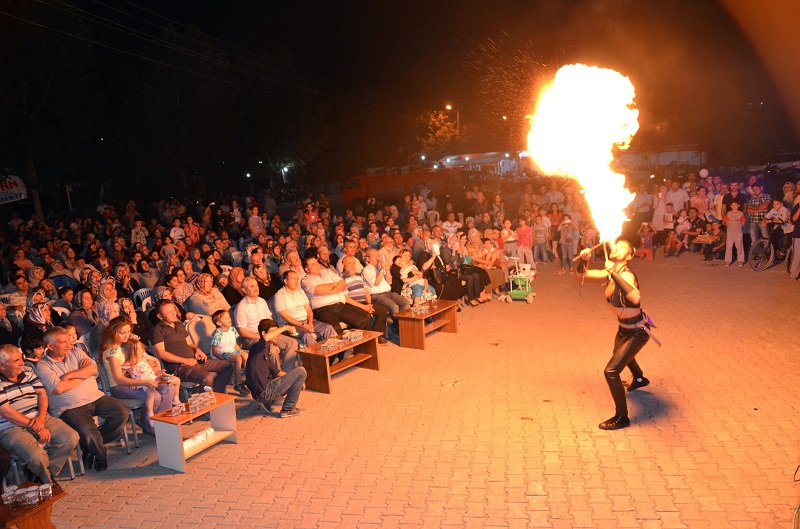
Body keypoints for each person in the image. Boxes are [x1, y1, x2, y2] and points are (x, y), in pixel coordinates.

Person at [578, 239, 652, 430]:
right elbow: (582, 275)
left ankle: (622, 417)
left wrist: (612, 272)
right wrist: (584, 260)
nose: (616, 248)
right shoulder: (611, 272)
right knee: (620, 354)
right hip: (623, 329)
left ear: (628, 257)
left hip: (637, 331)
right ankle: (639, 378)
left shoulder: (625, 275)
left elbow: (635, 297)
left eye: (622, 248)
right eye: (616, 245)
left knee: (611, 371)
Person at [36, 326, 129, 472]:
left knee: (122, 413)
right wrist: (82, 374)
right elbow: (59, 388)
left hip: (95, 397)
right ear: (50, 346)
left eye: (69, 340)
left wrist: (68, 376)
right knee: (89, 432)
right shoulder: (42, 366)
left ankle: (90, 446)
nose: (69, 344)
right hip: (69, 408)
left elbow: (94, 370)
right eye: (63, 342)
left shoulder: (76, 352)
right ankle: (100, 455)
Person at [0, 344, 79, 485]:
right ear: (2, 366)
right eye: (16, 361)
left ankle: (39, 475)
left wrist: (41, 420)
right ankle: (47, 483)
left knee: (70, 437)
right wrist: (35, 426)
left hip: (38, 418)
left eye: (21, 358)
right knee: (37, 455)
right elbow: (6, 412)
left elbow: (42, 394)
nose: (22, 363)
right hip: (11, 427)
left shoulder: (27, 372)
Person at [101, 318, 178, 433]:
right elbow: (119, 379)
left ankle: (163, 422)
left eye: (128, 332)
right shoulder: (112, 352)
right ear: (113, 332)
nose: (127, 335)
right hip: (120, 386)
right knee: (155, 396)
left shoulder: (128, 341)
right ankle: (148, 424)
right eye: (123, 333)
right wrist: (141, 382)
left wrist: (156, 370)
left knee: (169, 386)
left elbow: (143, 358)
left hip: (139, 378)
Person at [151, 301, 233, 394]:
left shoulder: (179, 325)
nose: (174, 314)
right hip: (179, 367)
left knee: (226, 365)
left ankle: (218, 394)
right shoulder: (158, 330)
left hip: (194, 361)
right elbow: (161, 354)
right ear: (160, 316)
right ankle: (206, 403)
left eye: (173, 310)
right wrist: (184, 360)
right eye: (169, 312)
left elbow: (190, 343)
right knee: (207, 377)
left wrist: (197, 350)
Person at [233, 277, 299, 371]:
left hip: (269, 334)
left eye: (257, 285)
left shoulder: (262, 301)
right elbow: (243, 332)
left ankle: (286, 374)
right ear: (244, 290)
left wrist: (274, 333)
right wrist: (262, 337)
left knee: (292, 343)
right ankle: (276, 377)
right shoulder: (241, 307)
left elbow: (270, 321)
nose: (256, 288)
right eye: (252, 286)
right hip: (253, 338)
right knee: (271, 348)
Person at [245, 319, 307, 418]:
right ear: (264, 333)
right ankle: (288, 409)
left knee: (297, 375)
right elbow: (265, 338)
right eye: (274, 332)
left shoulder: (266, 350)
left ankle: (268, 403)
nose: (277, 335)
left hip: (262, 392)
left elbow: (277, 372)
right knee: (301, 371)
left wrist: (298, 380)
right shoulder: (257, 347)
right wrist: (285, 327)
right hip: (264, 392)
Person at [273, 271, 337, 346]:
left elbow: (309, 310)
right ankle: (319, 355)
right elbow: (286, 317)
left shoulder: (300, 291)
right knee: (307, 335)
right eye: (293, 279)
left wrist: (310, 323)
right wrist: (302, 325)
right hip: (291, 325)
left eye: (297, 278)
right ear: (285, 281)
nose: (296, 281)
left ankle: (338, 353)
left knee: (328, 328)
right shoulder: (279, 295)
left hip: (306, 321)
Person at [362, 249, 410, 333]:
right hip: (376, 295)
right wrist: (381, 270)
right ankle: (399, 328)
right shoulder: (367, 270)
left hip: (388, 292)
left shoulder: (380, 267)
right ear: (368, 259)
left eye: (378, 255)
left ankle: (403, 325)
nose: (377, 257)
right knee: (394, 306)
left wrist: (387, 270)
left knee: (405, 303)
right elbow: (376, 283)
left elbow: (389, 281)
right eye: (374, 255)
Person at [209, 310, 249, 396]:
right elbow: (215, 351)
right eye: (225, 318)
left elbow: (235, 344)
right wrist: (223, 360)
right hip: (222, 353)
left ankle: (248, 378)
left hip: (231, 350)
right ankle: (238, 383)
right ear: (219, 323)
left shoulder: (232, 329)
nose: (229, 319)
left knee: (245, 355)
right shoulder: (217, 334)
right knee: (238, 358)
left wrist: (240, 352)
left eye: (229, 317)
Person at [723, 201, 746, 267]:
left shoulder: (741, 214)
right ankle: (727, 261)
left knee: (739, 247)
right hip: (730, 232)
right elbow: (726, 221)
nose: (734, 207)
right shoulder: (728, 213)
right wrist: (729, 227)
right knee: (729, 247)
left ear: (738, 205)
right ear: (730, 206)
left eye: (735, 205)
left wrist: (739, 227)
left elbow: (743, 222)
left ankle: (740, 260)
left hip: (738, 232)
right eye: (732, 205)